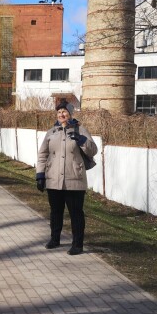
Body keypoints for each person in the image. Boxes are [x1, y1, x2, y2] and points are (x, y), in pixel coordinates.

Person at [35, 102, 97, 255]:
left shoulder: (81, 130)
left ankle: (77, 244)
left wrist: (82, 140)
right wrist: (40, 175)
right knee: (55, 212)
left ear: (70, 113)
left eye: (64, 112)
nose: (61, 115)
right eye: (59, 112)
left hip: (74, 179)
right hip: (53, 179)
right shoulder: (51, 132)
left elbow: (93, 150)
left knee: (76, 213)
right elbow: (43, 154)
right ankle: (55, 239)